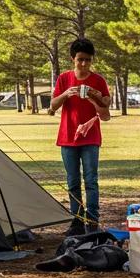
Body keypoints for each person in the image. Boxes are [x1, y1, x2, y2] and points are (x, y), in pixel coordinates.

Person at [47, 38, 111, 235]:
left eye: (88, 60)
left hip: (90, 137)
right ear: (72, 59)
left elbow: (106, 109)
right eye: (80, 59)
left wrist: (94, 96)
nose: (84, 64)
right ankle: (76, 220)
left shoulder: (98, 80)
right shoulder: (64, 79)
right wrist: (66, 94)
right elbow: (53, 106)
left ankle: (92, 221)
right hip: (68, 137)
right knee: (73, 181)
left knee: (91, 180)